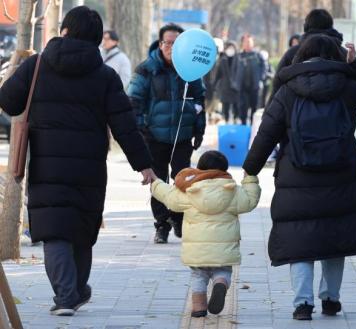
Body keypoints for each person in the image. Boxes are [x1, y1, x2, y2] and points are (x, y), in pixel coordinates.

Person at [0, 6, 155, 316]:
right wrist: (144, 165)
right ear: (97, 39)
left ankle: (67, 296)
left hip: (47, 165)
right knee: (81, 230)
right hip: (89, 168)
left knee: (54, 229)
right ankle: (74, 291)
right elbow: (125, 125)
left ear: (65, 31)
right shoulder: (105, 75)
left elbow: (7, 101)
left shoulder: (36, 66)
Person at [243, 35, 356, 320]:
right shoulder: (346, 87)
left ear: (300, 56)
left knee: (301, 243)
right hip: (342, 176)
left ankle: (302, 304)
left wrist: (250, 168)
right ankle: (331, 299)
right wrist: (355, 64)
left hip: (298, 178)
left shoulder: (287, 91)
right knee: (336, 240)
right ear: (336, 56)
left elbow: (267, 133)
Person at [151, 150, 260, 317]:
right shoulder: (232, 191)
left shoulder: (189, 190)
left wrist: (155, 183)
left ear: (199, 169)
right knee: (223, 271)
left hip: (197, 251)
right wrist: (250, 179)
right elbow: (250, 200)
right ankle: (221, 283)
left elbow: (169, 197)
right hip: (223, 251)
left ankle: (199, 308)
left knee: (198, 276)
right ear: (224, 170)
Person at [128, 23, 206, 244]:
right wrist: (140, 128)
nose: (171, 47)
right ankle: (161, 224)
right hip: (154, 136)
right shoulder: (146, 69)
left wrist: (199, 129)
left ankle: (179, 218)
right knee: (158, 182)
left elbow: (200, 99)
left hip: (182, 135)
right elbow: (134, 101)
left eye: (176, 43)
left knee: (182, 179)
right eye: (167, 42)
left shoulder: (191, 70)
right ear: (160, 43)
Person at [270, 9, 345, 101]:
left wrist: (269, 113)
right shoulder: (343, 53)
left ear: (306, 26)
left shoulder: (293, 53)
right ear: (331, 26)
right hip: (338, 113)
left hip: (296, 112)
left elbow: (277, 85)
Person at [238, 34, 265, 125]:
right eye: (245, 42)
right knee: (243, 108)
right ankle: (243, 125)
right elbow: (234, 70)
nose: (247, 44)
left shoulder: (258, 55)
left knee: (254, 108)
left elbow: (264, 68)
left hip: (255, 87)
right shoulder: (239, 56)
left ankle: (253, 127)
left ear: (252, 43)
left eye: (249, 42)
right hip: (243, 87)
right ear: (242, 44)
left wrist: (261, 79)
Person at [214, 41, 242, 123]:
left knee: (236, 105)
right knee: (225, 105)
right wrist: (215, 85)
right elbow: (218, 74)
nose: (230, 50)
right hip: (225, 87)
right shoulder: (222, 60)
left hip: (235, 87)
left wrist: (239, 84)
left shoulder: (239, 59)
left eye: (232, 48)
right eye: (229, 48)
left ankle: (236, 120)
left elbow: (241, 73)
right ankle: (226, 120)